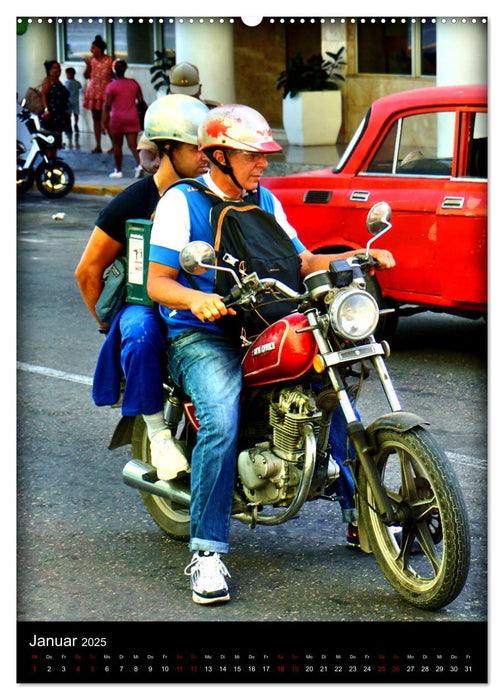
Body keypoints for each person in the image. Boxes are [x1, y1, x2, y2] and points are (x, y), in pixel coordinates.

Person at [147, 104, 396, 605]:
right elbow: (158, 281)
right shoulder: (181, 202)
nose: (263, 164)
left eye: (263, 156)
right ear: (218, 156)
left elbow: (302, 261)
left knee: (332, 385)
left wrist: (356, 257)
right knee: (219, 415)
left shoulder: (264, 199)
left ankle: (360, 515)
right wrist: (197, 297)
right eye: (251, 155)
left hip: (263, 319)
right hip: (203, 333)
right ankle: (208, 553)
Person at [75, 94, 210, 479]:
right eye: (195, 148)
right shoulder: (131, 201)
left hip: (200, 299)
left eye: (208, 148)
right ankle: (158, 434)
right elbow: (87, 272)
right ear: (167, 148)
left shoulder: (210, 196)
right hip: (149, 302)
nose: (205, 156)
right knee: (139, 330)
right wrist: (108, 328)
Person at [101, 59, 143, 179]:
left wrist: (104, 122)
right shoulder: (133, 83)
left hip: (117, 118)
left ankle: (118, 171)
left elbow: (107, 105)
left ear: (114, 70)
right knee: (133, 145)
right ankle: (139, 165)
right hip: (132, 116)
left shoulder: (111, 86)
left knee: (117, 146)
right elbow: (140, 100)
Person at [83, 34, 113, 153]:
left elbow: (114, 75)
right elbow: (86, 76)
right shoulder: (91, 61)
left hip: (105, 92)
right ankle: (98, 145)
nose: (91, 50)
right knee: (95, 118)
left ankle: (114, 145)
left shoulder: (109, 60)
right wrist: (87, 65)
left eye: (93, 48)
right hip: (93, 92)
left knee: (106, 119)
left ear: (99, 49)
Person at [40, 60, 71, 149]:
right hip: (51, 115)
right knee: (51, 141)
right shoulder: (48, 81)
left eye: (59, 68)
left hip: (59, 115)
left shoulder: (58, 81)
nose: (58, 70)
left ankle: (53, 161)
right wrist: (46, 110)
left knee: (56, 141)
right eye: (55, 68)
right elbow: (43, 95)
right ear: (49, 70)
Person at [64, 67, 82, 134]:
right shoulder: (77, 83)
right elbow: (80, 88)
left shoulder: (66, 83)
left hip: (68, 101)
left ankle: (69, 125)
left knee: (68, 114)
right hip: (76, 100)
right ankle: (76, 124)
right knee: (76, 113)